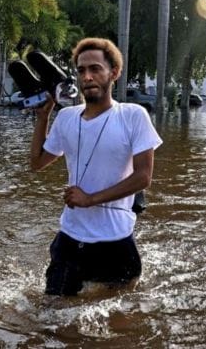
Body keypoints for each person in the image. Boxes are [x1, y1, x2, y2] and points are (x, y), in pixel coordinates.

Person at [29, 38, 163, 296]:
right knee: (51, 314)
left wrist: (91, 199)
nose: (87, 76)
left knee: (120, 311)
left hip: (116, 239)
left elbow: (143, 177)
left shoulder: (133, 115)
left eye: (95, 69)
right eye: (81, 71)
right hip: (70, 236)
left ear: (113, 73)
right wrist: (43, 117)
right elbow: (36, 164)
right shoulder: (66, 117)